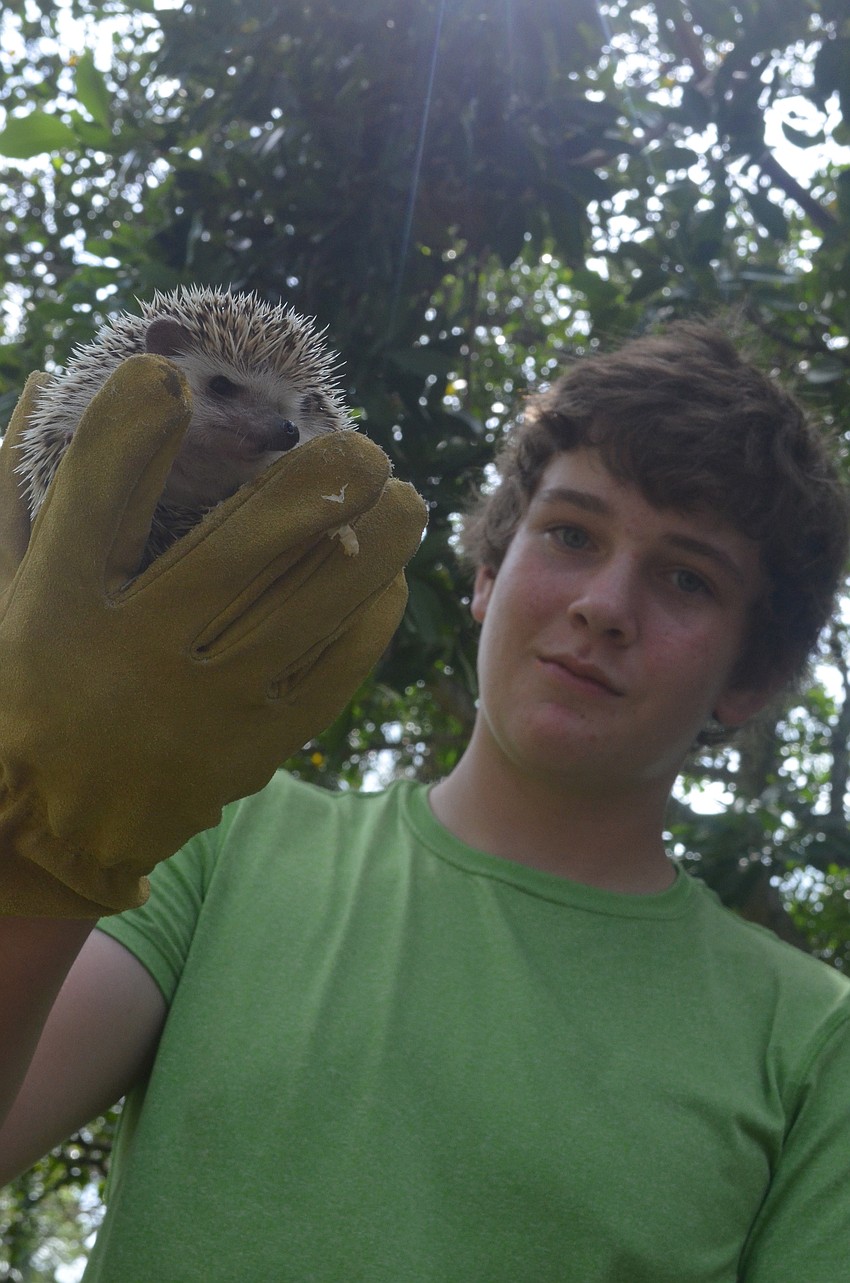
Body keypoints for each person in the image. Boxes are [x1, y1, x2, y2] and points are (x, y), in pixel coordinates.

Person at [1, 321, 849, 1282]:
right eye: (571, 532)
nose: (605, 605)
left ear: (752, 677)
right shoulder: (201, 840)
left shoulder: (815, 1042)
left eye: (689, 577)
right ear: (486, 573)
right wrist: (42, 829)